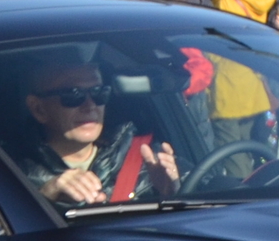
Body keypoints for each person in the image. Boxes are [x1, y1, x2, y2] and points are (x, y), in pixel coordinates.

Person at [17, 54, 181, 205]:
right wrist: (45, 196)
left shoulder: (149, 158)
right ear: (39, 109)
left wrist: (171, 192)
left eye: (98, 92)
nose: (90, 106)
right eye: (73, 94)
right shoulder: (9, 174)